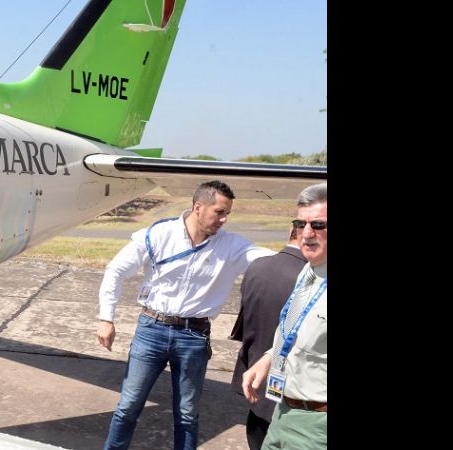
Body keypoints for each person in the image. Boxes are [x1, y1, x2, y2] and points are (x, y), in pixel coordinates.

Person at [97, 180, 275, 450]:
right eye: (219, 212)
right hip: (151, 330)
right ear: (198, 207)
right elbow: (115, 271)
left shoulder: (232, 246)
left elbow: (271, 262)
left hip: (194, 337)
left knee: (187, 414)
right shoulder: (159, 234)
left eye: (228, 213)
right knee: (128, 405)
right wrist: (106, 318)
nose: (224, 219)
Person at [241, 182, 327, 449]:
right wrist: (268, 358)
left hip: (316, 425)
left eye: (319, 225)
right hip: (282, 410)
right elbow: (293, 329)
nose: (306, 233)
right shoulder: (310, 270)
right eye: (300, 224)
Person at [230, 226, 306, 450]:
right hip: (292, 387)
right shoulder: (311, 277)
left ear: (290, 231)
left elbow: (245, 321)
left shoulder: (258, 266)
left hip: (256, 376)